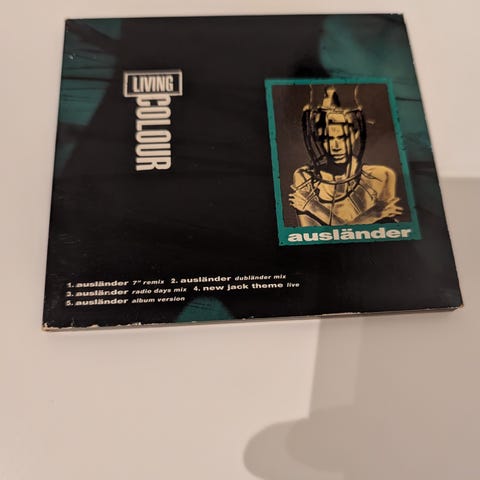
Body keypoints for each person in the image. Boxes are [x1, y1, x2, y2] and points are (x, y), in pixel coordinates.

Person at [289, 86, 403, 226]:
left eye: (343, 137)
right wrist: (371, 216)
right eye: (327, 139)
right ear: (318, 139)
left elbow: (382, 234)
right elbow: (315, 236)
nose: (336, 146)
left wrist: (314, 208)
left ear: (355, 135)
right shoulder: (305, 178)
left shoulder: (381, 177)